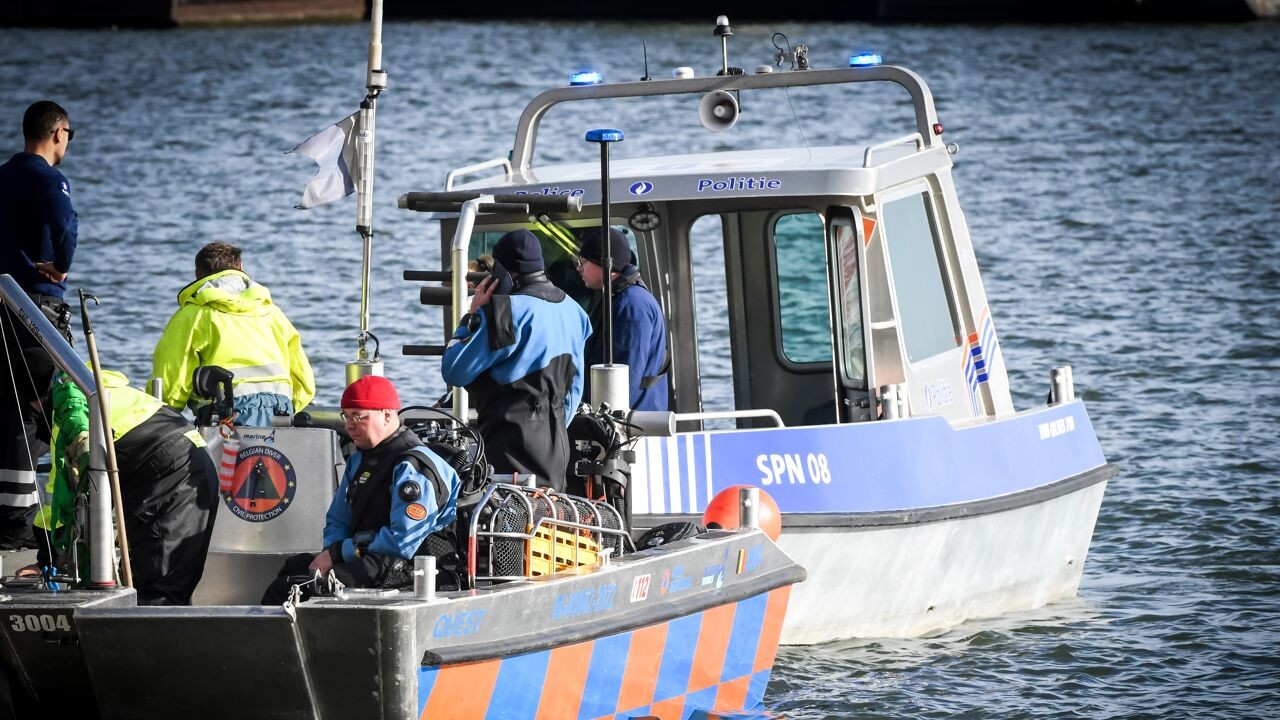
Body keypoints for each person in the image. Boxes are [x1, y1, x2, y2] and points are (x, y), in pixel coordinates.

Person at [22, 369, 219, 606]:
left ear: (37, 400)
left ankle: (144, 639)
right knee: (169, 580)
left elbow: (59, 496)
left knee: (158, 590)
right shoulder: (90, 386)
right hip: (189, 454)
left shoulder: (69, 412)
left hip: (168, 469)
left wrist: (46, 559)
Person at [261, 376, 460, 604]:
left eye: (358, 416)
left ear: (387, 415)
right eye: (346, 415)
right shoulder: (359, 460)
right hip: (364, 555)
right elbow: (337, 519)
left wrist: (338, 554)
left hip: (408, 564)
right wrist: (331, 553)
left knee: (311, 587)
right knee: (292, 571)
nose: (349, 425)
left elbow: (403, 541)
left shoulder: (413, 467)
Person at [440, 230, 591, 492]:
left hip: (507, 451)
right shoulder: (575, 311)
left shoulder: (506, 312)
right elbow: (574, 390)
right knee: (548, 525)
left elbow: (454, 371)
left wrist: (471, 317)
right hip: (556, 451)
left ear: (505, 274)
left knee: (503, 528)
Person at [0, 100, 79, 547]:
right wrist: (61, 265)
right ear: (58, 133)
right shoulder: (49, 178)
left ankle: (11, 517)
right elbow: (65, 222)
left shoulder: (3, 175)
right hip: (35, 306)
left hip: (1, 303)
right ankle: (35, 519)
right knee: (49, 405)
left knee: (9, 407)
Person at [152, 241, 315, 426]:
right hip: (281, 410)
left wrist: (159, 417)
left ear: (198, 275)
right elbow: (304, 381)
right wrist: (291, 406)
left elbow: (172, 383)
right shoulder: (274, 313)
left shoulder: (193, 315)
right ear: (241, 268)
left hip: (227, 413)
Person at [577, 227, 669, 411]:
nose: (578, 268)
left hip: (632, 426)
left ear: (605, 264)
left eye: (584, 261)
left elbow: (626, 373)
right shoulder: (620, 298)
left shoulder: (631, 305)